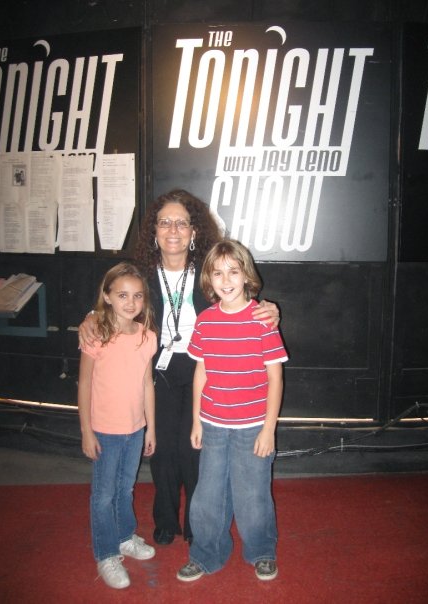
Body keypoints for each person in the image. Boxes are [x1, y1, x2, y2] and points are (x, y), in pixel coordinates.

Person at [78, 189, 280, 547]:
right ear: (154, 231)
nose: (173, 229)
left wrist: (270, 309)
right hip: (159, 369)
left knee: (194, 449)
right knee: (163, 451)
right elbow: (113, 298)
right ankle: (166, 520)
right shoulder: (140, 273)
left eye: (181, 223)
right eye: (165, 222)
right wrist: (91, 316)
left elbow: (239, 297)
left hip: (204, 366)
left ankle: (195, 524)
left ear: (194, 231)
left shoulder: (208, 271)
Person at [177, 239, 288, 583]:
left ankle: (261, 551)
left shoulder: (261, 321)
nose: (226, 280)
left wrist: (269, 429)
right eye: (218, 273)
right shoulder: (205, 322)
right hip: (212, 424)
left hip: (252, 426)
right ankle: (206, 553)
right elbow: (202, 372)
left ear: (246, 276)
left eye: (233, 272)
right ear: (209, 279)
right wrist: (196, 419)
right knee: (207, 493)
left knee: (252, 494)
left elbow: (275, 377)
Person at [78, 262, 158, 590]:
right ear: (107, 296)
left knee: (125, 488)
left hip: (135, 428)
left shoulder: (146, 337)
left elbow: (147, 384)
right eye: (122, 294)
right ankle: (106, 552)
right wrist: (86, 430)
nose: (130, 302)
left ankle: (125, 536)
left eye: (137, 295)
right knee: (103, 494)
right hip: (105, 430)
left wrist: (150, 427)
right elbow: (83, 385)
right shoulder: (97, 334)